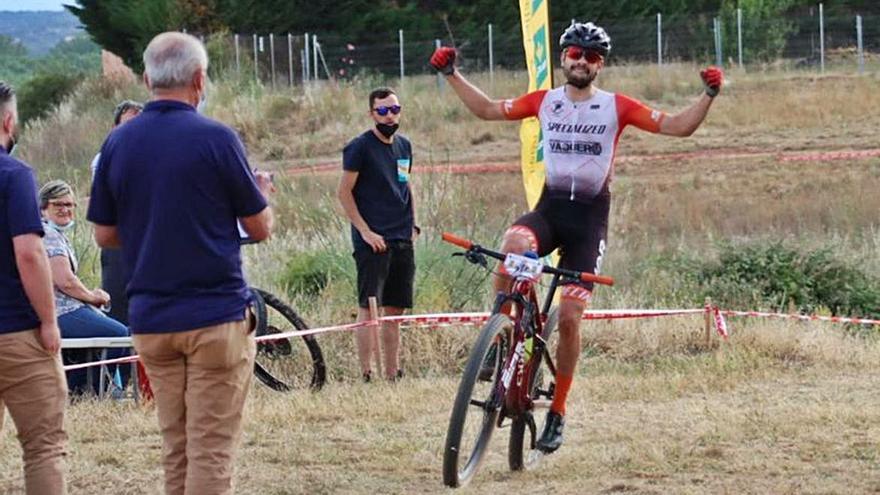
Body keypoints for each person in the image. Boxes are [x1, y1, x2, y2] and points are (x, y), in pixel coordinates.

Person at [430, 21, 723, 453]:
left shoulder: (617, 106)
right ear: (564, 57)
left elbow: (678, 127)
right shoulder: (545, 101)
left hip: (587, 223)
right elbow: (488, 110)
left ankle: (559, 412)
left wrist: (709, 95)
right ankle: (499, 333)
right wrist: (452, 73)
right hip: (549, 211)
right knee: (511, 245)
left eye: (591, 56)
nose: (581, 61)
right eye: (574, 53)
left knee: (568, 318)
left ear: (600, 65)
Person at [87, 32, 275, 495]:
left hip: (151, 319)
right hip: (215, 316)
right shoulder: (217, 139)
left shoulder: (118, 144)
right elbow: (258, 228)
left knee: (177, 447)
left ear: (147, 78)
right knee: (211, 450)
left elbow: (104, 234)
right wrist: (264, 196)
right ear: (199, 79)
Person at [0, 80, 68, 494]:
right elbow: (29, 253)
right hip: (16, 330)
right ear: (9, 122)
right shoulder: (15, 174)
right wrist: (48, 321)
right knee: (43, 447)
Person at [337, 87, 418, 382]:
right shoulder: (359, 147)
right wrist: (366, 232)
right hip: (373, 239)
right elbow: (344, 193)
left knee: (395, 310)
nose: (389, 116)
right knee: (369, 307)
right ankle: (367, 373)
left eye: (394, 109)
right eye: (382, 111)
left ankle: (392, 372)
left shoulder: (404, 146)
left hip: (401, 236)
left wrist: (413, 224)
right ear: (371, 114)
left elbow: (405, 184)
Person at [39, 179, 130, 396]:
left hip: (61, 308)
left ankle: (78, 393)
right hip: (60, 311)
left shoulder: (54, 234)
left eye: (69, 205)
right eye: (57, 205)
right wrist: (93, 297)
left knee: (88, 347)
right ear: (43, 209)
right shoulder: (48, 235)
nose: (65, 210)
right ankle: (99, 392)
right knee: (118, 335)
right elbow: (65, 281)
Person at [91, 100, 143, 325]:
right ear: (115, 129)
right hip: (119, 245)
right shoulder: (104, 160)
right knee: (120, 315)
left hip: (151, 246)